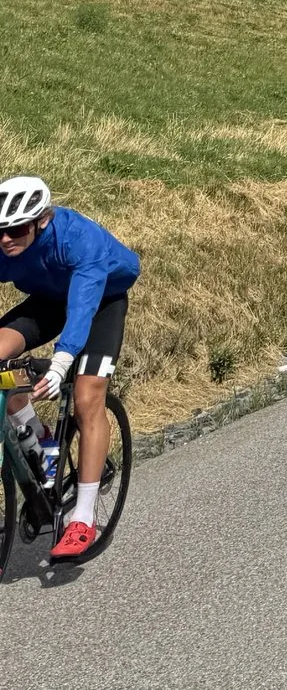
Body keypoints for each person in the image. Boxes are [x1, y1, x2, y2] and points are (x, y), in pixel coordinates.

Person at [0, 176, 140, 562]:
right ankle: (37, 437)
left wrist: (62, 362)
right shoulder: (5, 244)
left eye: (16, 229)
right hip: (48, 299)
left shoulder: (78, 239)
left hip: (102, 300)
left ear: (41, 221)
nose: (6, 239)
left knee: (86, 396)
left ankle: (83, 517)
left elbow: (81, 309)